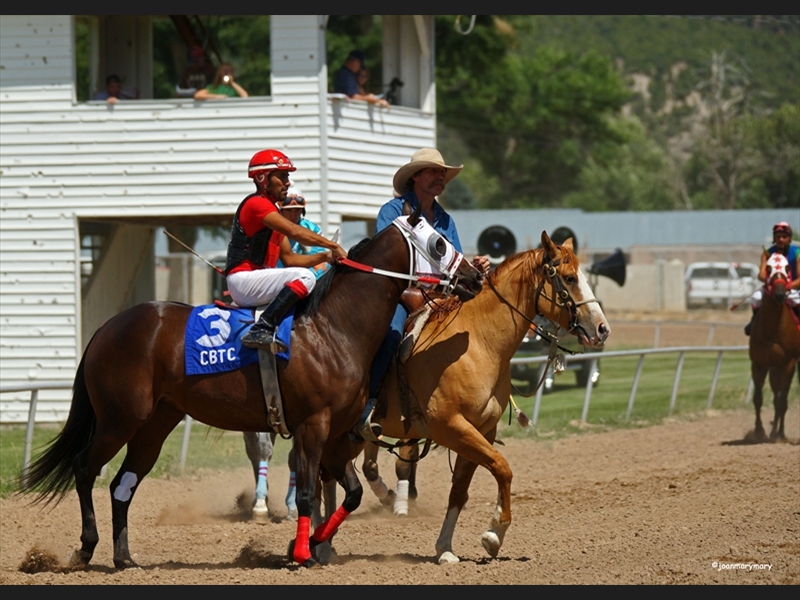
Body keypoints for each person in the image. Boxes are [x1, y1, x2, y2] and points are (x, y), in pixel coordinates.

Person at [361, 148, 490, 438]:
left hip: (440, 297)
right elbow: (386, 256)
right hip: (401, 295)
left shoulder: (445, 219)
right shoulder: (392, 212)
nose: (440, 177)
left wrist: (474, 264)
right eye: (433, 171)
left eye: (442, 173)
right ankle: (368, 405)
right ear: (416, 177)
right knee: (391, 334)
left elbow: (454, 260)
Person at [225, 149, 347, 352]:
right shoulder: (257, 205)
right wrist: (333, 246)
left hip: (255, 281)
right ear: (263, 178)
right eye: (282, 176)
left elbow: (290, 259)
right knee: (306, 278)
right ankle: (262, 328)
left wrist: (326, 257)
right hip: (244, 280)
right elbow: (294, 231)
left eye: (287, 176)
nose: (287, 182)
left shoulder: (271, 213)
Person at [744, 221, 800, 335]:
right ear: (774, 238)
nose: (781, 240)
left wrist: (788, 286)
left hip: (792, 289)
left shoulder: (797, 253)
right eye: (778, 237)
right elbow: (761, 274)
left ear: (789, 238)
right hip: (772, 288)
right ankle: (754, 320)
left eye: (784, 237)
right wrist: (771, 282)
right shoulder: (767, 253)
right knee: (756, 298)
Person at [276, 183, 331, 280]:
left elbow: (319, 261)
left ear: (302, 211)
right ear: (281, 211)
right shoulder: (272, 228)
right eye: (289, 211)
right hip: (278, 277)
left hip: (307, 276)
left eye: (297, 210)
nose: (293, 215)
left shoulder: (312, 229)